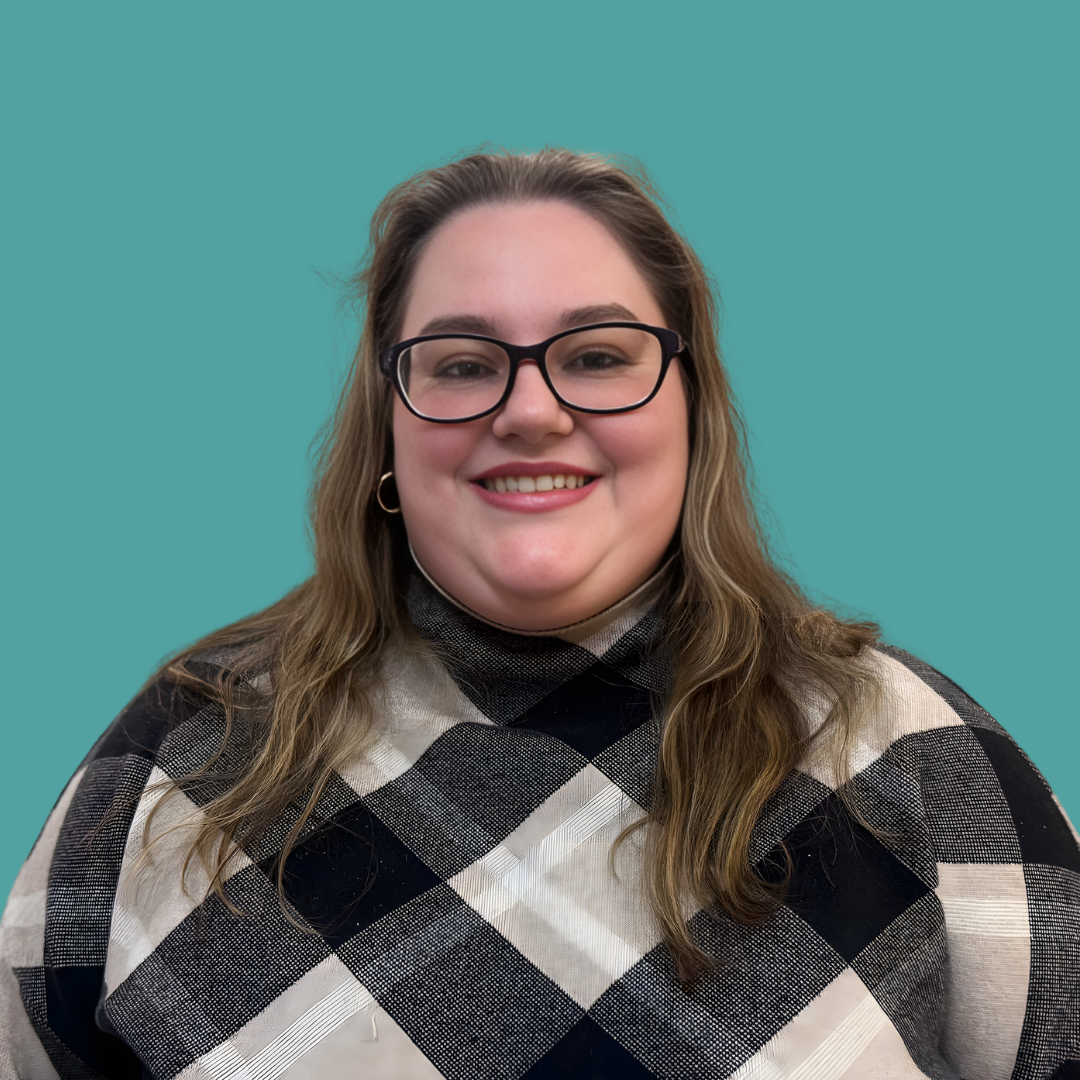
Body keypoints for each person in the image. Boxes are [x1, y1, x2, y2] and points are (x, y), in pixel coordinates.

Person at [2, 148, 1077, 1079]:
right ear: (388, 427)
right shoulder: (186, 756)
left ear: (690, 410)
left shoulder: (915, 754)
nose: (531, 409)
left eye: (599, 356)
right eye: (464, 364)